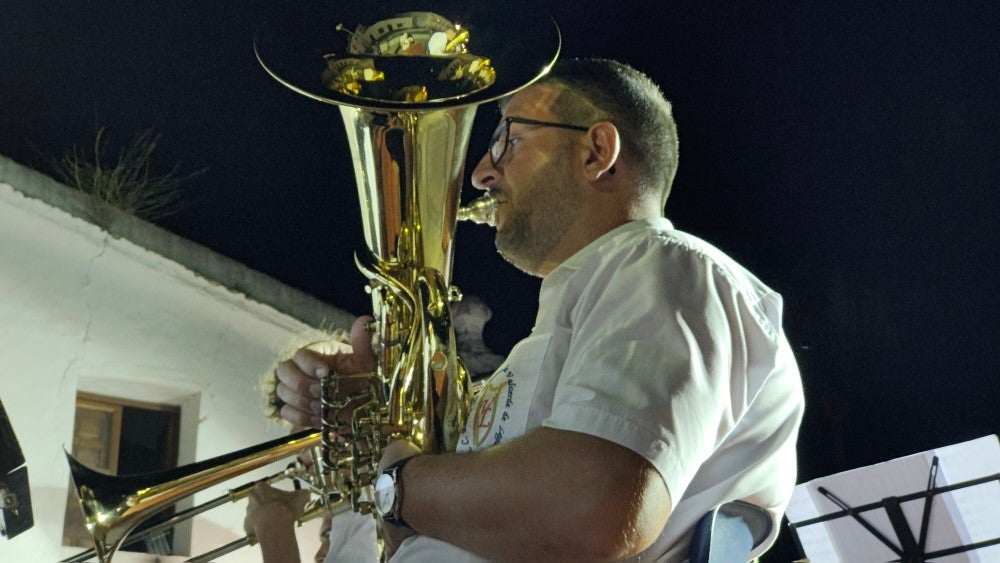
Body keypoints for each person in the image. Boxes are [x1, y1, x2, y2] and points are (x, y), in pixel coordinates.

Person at [253, 57, 804, 562]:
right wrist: (375, 405)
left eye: (509, 140)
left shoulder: (660, 266)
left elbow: (591, 508)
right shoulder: (552, 333)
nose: (481, 174)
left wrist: (397, 484)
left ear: (596, 152)